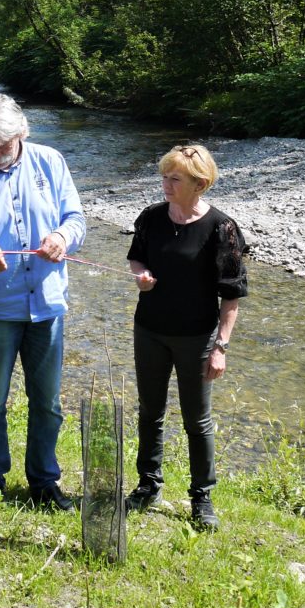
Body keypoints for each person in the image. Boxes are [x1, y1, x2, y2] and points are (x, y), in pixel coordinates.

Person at [0, 93, 86, 510]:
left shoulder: (51, 161)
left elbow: (75, 219)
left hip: (47, 304)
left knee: (48, 401)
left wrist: (62, 238)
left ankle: (43, 481)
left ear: (22, 134)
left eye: (1, 146)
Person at [126, 144, 248, 531]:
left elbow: (231, 294)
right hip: (149, 330)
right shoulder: (150, 218)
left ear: (200, 183)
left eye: (174, 178)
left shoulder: (222, 228)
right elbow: (136, 257)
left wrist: (221, 347)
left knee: (198, 420)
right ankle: (148, 485)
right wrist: (140, 276)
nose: (165, 184)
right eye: (164, 176)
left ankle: (202, 497)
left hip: (197, 337)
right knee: (150, 412)